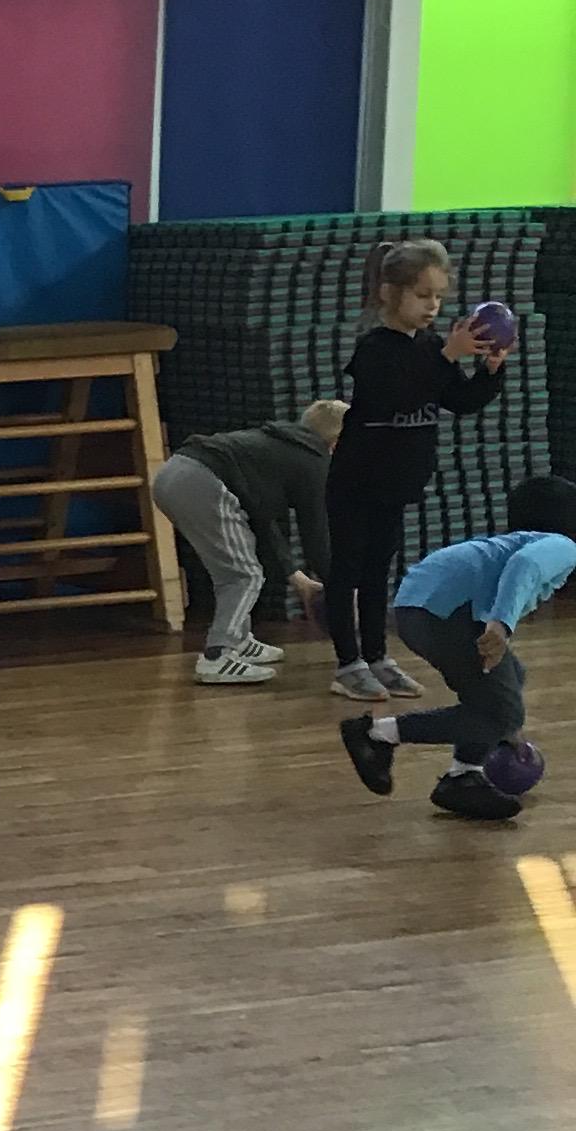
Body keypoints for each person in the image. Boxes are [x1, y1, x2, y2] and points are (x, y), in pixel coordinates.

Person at [323, 239, 505, 704]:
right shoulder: (374, 349)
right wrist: (447, 356)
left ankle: (377, 656)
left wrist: (490, 371)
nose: (433, 306)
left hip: (396, 481)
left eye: (439, 296)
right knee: (347, 570)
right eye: (423, 295)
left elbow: (458, 400)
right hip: (357, 478)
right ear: (389, 293)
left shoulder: (429, 347)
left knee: (379, 569)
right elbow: (397, 396)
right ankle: (348, 664)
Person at [339, 476, 576, 822]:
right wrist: (500, 624)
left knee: (509, 680)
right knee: (502, 714)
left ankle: (464, 776)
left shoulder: (510, 541)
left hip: (416, 607)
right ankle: (376, 734)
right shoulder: (562, 544)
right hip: (445, 614)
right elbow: (525, 566)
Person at [153, 402, 344, 685]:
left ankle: (239, 641)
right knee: (243, 575)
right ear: (338, 442)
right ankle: (218, 656)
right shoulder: (314, 462)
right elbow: (316, 537)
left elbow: (263, 522)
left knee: (235, 569)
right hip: (201, 482)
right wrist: (341, 587)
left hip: (173, 473)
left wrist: (299, 579)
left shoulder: (281, 445)